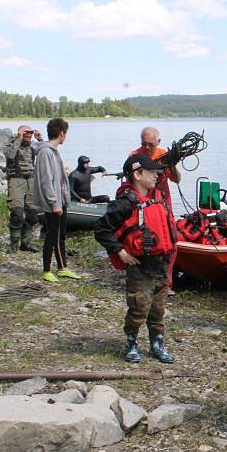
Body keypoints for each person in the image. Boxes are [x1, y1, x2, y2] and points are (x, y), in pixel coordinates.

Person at [95, 154, 176, 364]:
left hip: (162, 263)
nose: (157, 176)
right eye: (152, 172)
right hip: (140, 266)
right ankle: (131, 341)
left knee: (159, 308)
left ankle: (157, 343)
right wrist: (120, 251)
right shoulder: (126, 203)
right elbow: (102, 229)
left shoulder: (157, 196)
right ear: (138, 174)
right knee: (139, 307)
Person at [130, 127, 182, 290]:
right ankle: (144, 277)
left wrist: (172, 164)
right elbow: (130, 181)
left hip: (163, 203)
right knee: (145, 240)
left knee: (171, 241)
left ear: (158, 142)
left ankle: (167, 281)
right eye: (144, 144)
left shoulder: (163, 155)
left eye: (150, 144)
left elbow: (177, 179)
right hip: (144, 206)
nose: (146, 147)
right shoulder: (134, 156)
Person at [33, 118, 81, 283]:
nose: (65, 136)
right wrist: (54, 203)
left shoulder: (51, 149)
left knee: (61, 236)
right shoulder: (46, 152)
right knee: (52, 236)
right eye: (66, 133)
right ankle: (46, 270)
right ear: (62, 133)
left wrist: (40, 140)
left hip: (61, 200)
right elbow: (46, 180)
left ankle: (62, 268)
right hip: (54, 202)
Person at [3, 124, 44, 253]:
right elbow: (9, 156)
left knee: (32, 214)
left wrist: (41, 140)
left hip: (30, 180)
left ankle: (26, 242)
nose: (29, 135)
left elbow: (46, 153)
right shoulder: (12, 144)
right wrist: (19, 138)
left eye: (30, 133)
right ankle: (14, 244)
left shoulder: (32, 146)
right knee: (17, 213)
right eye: (26, 133)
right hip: (16, 180)